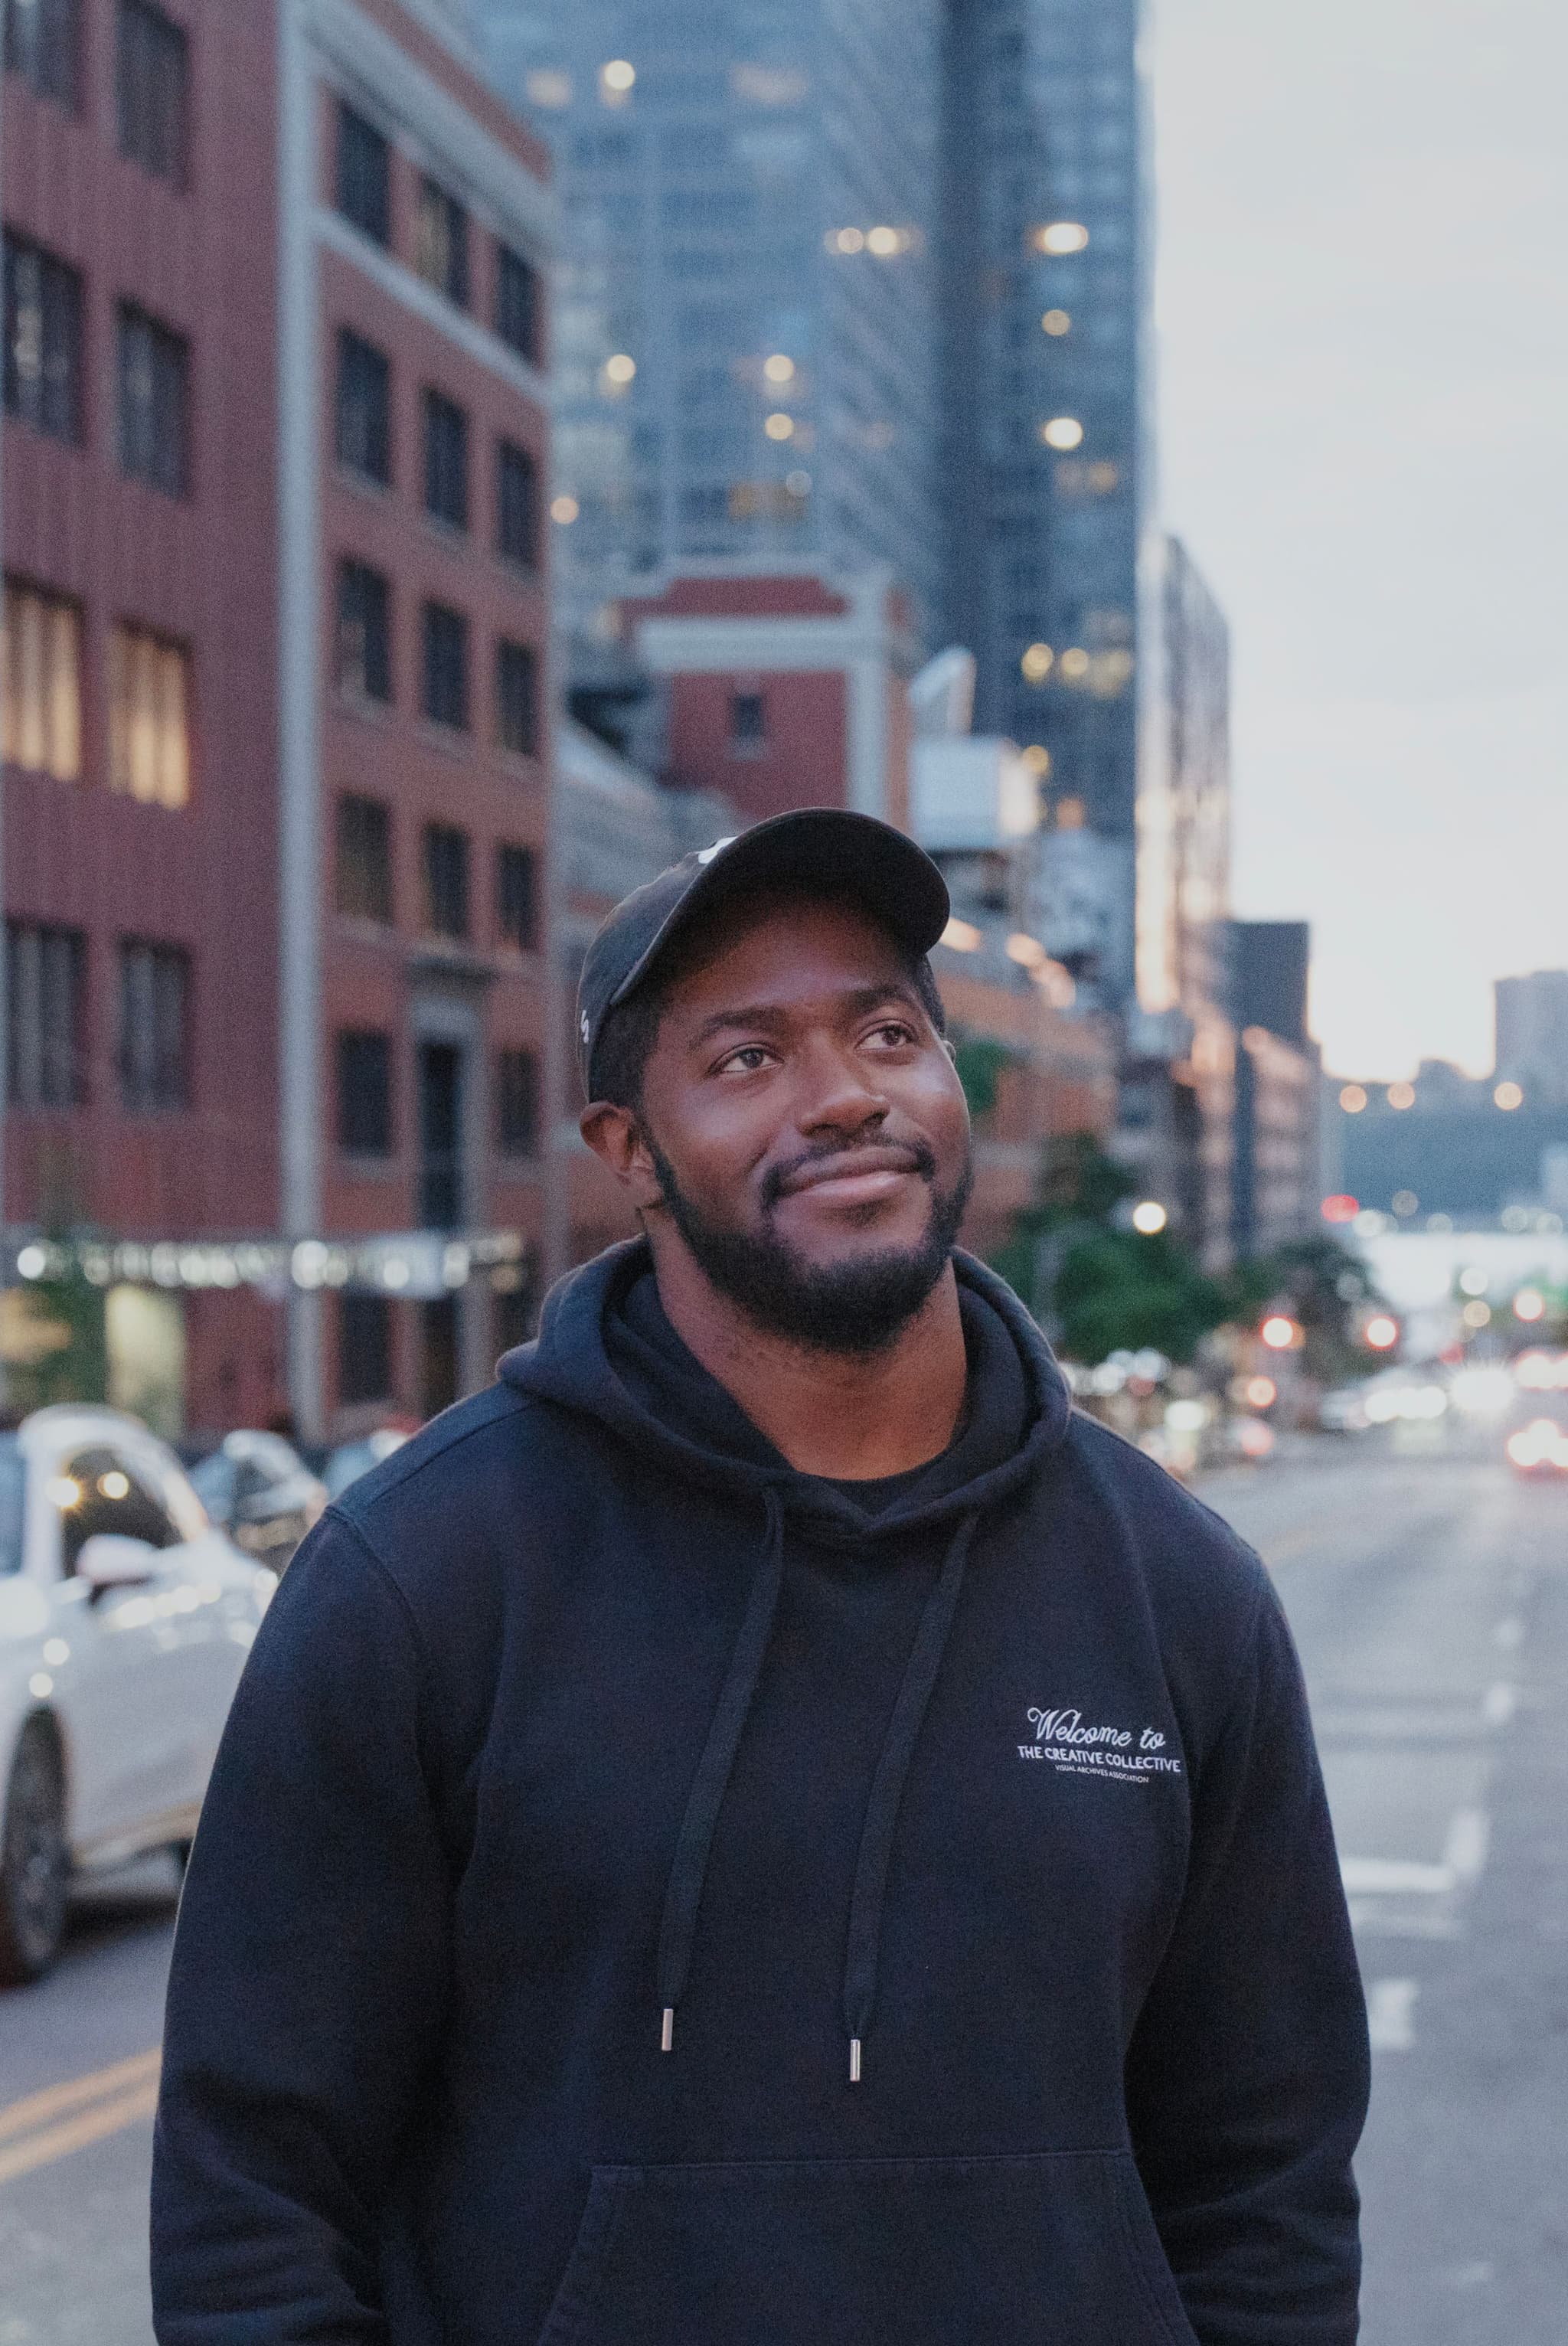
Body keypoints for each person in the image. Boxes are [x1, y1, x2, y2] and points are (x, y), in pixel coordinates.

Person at [152, 810, 1369, 2346]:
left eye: (888, 1034)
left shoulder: (1179, 1591)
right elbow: (253, 2194)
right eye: (748, 1057)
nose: (846, 1094)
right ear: (629, 1154)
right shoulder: (425, 1578)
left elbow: (1267, 2183)